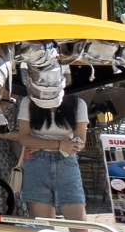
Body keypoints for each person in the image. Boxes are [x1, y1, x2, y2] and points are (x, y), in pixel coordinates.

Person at [14, 64, 90, 217]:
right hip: (37, 163)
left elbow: (79, 142)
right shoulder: (28, 102)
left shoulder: (77, 103)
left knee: (79, 225)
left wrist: (40, 144)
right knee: (44, 225)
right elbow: (24, 139)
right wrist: (60, 144)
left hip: (66, 162)